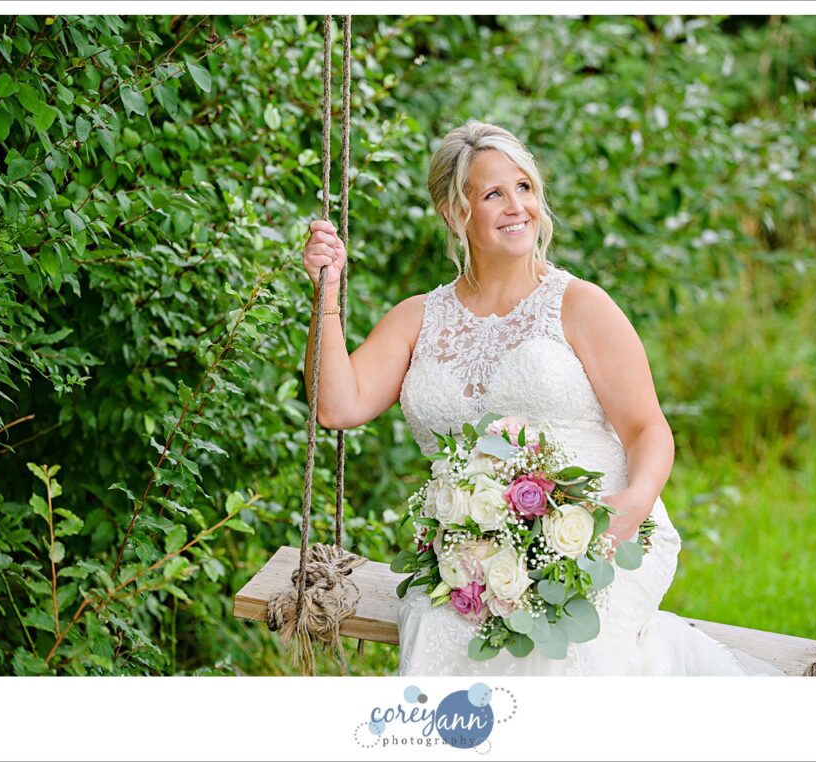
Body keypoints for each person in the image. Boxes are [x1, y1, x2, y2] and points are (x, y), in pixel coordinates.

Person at [301, 120, 781, 676]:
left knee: (566, 650)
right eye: (493, 194)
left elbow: (647, 428)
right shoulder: (418, 319)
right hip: (474, 557)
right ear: (455, 214)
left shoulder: (580, 305)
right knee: (436, 630)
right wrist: (326, 292)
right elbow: (337, 406)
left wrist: (635, 502)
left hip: (599, 534)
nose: (517, 207)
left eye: (524, 187)